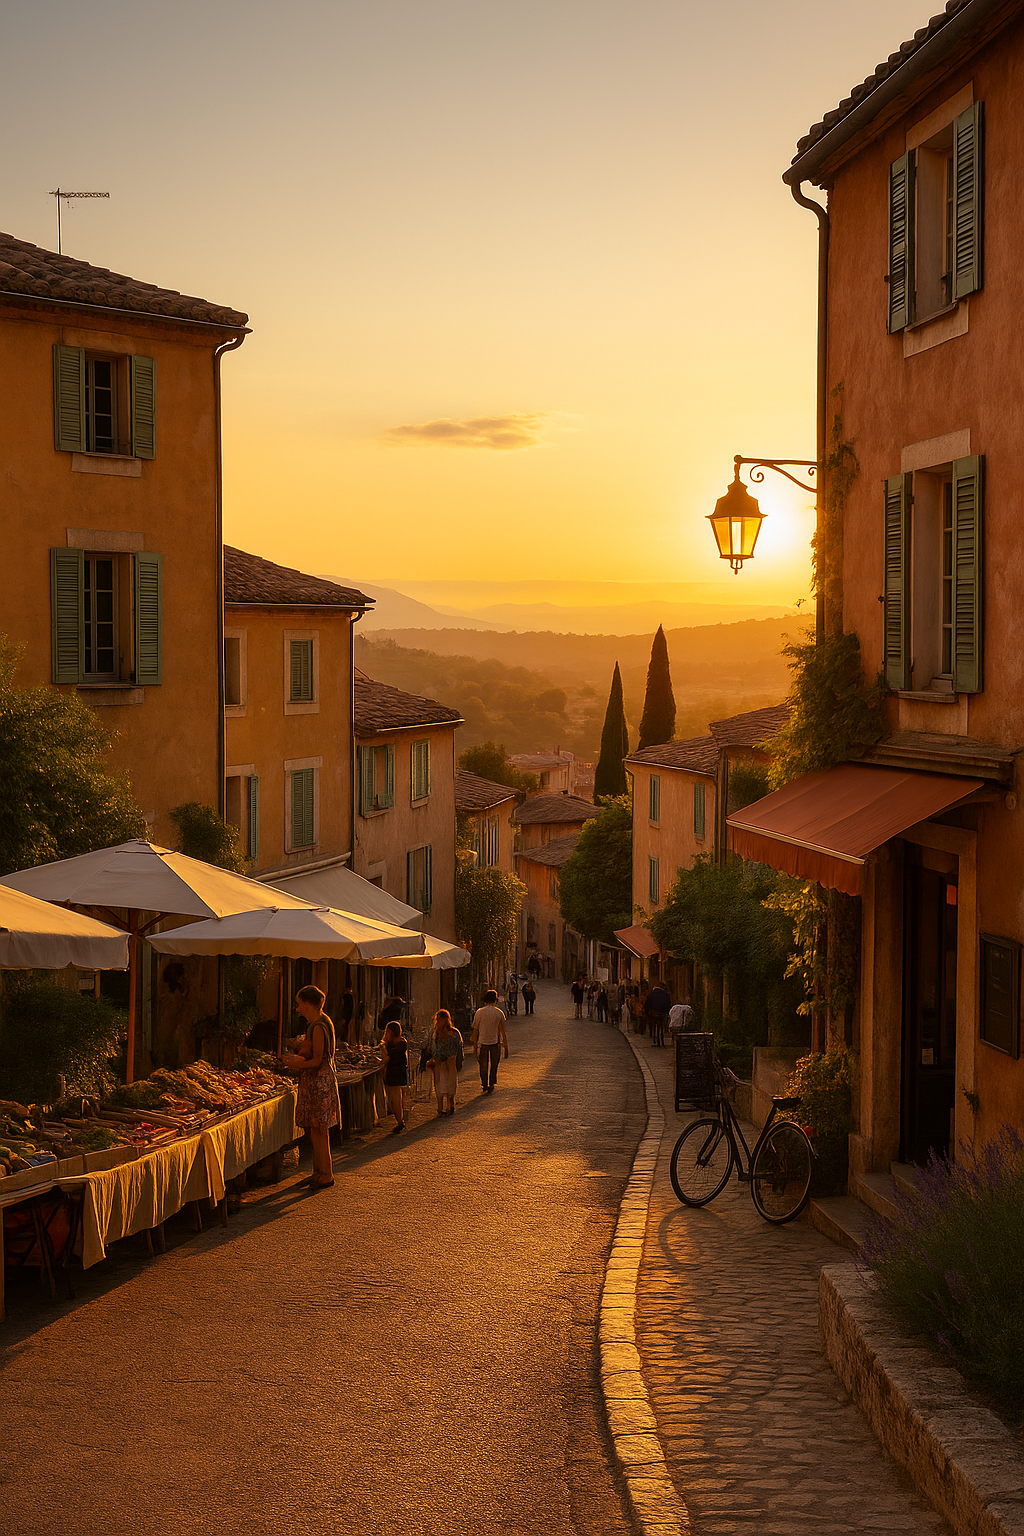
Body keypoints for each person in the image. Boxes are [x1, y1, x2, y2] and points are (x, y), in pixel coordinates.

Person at [278, 985, 341, 1189]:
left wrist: (296, 1063)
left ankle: (325, 1174)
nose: (297, 1009)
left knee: (319, 1130)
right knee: (316, 1129)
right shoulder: (320, 1022)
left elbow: (317, 1059)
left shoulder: (318, 1026)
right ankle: (319, 1170)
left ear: (307, 1004)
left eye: (299, 1004)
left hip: (318, 1083)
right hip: (319, 1082)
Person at [422, 1008, 464, 1116]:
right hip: (447, 1060)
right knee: (448, 1082)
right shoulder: (454, 1032)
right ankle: (448, 1105)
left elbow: (430, 1047)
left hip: (441, 1060)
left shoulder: (435, 1032)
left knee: (440, 1083)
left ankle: (443, 1107)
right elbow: (460, 1047)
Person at [471, 989, 509, 1094]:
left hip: (483, 1043)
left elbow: (476, 1030)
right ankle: (491, 1083)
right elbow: (502, 1031)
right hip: (495, 1043)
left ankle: (484, 1084)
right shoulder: (499, 1013)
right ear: (495, 1000)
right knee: (494, 1064)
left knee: (483, 1065)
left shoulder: (479, 1012)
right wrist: (506, 1046)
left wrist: (474, 1046)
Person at [380, 1019, 409, 1133]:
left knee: (395, 1099)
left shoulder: (397, 1045)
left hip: (394, 1073)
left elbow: (386, 1059)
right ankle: (400, 1120)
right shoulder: (401, 1042)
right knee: (397, 1098)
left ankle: (400, 1122)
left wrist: (383, 1050)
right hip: (399, 1072)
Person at [646, 981, 672, 1047]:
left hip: (654, 1012)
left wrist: (647, 1012)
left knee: (654, 1022)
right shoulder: (666, 994)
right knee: (662, 1023)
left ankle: (654, 1037)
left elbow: (648, 1003)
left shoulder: (652, 993)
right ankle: (662, 1037)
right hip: (663, 1013)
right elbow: (668, 1004)